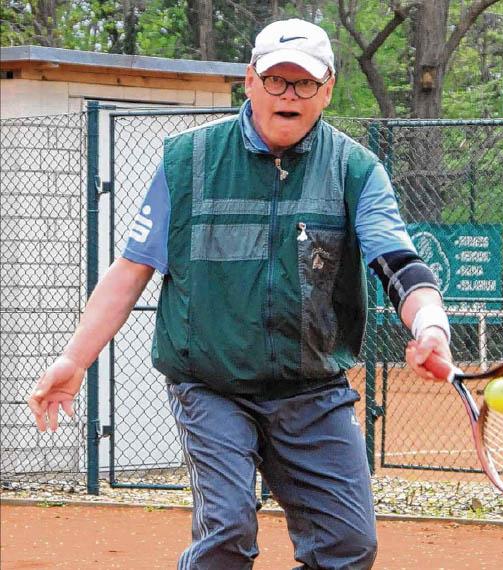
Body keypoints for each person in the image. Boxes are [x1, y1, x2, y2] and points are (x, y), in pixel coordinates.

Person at [28, 18, 452, 570]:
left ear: (327, 90)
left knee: (348, 548)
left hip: (311, 389)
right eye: (276, 80)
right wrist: (74, 359)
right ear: (250, 81)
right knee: (227, 529)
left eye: (305, 83)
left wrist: (430, 326)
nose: (289, 95)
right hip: (212, 385)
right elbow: (132, 269)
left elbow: (396, 261)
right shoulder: (188, 160)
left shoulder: (355, 169)